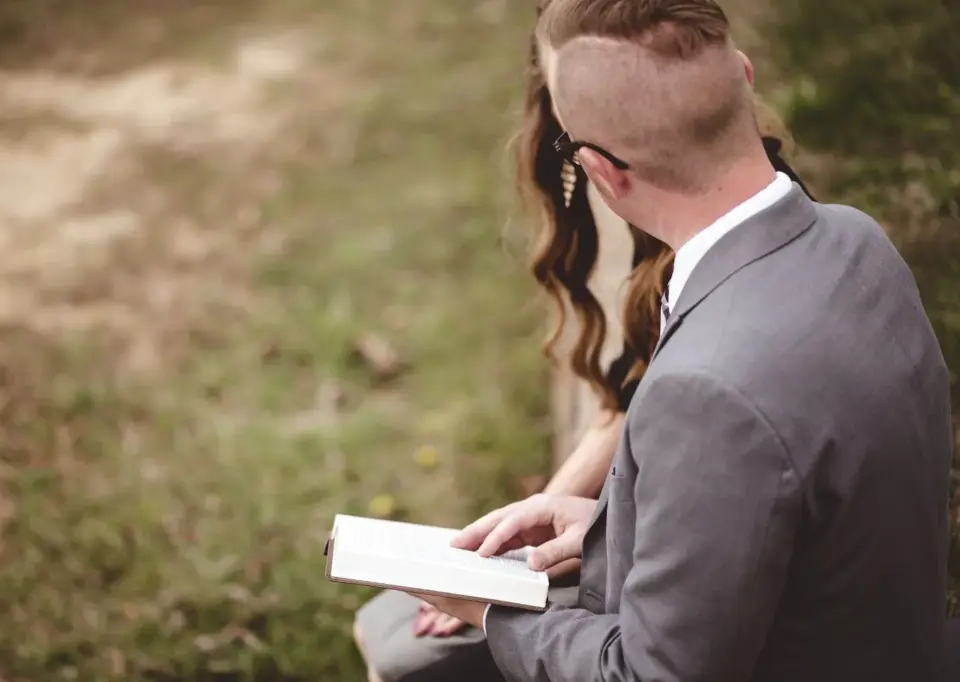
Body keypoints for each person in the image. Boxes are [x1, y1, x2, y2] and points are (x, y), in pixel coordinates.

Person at [408, 2, 955, 682]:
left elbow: (648, 676)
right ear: (745, 79)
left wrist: (492, 612)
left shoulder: (707, 392)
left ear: (603, 174)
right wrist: (616, 524)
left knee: (406, 654)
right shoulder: (857, 240)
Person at [351, 3, 820, 681]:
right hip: (663, 517)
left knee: (407, 654)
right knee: (393, 623)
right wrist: (538, 533)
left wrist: (495, 603)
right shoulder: (804, 235)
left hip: (700, 572)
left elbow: (658, 658)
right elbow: (636, 393)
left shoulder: (702, 242)